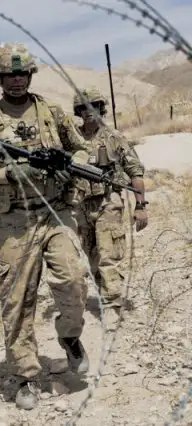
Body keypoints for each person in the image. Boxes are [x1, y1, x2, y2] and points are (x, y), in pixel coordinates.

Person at [0, 43, 92, 410]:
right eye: (9, 74)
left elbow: (81, 148)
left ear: (30, 75)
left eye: (22, 73)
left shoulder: (51, 112)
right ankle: (26, 376)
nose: (17, 80)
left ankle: (69, 337)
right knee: (16, 300)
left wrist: (68, 164)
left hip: (56, 212)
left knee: (73, 280)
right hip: (16, 220)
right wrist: (10, 173)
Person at [72, 88, 148, 328]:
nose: (89, 111)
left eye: (94, 106)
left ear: (101, 108)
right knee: (91, 256)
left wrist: (141, 205)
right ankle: (103, 293)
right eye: (84, 107)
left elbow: (135, 171)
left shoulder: (113, 137)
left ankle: (112, 305)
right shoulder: (72, 140)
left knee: (109, 255)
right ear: (78, 112)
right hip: (82, 206)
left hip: (108, 201)